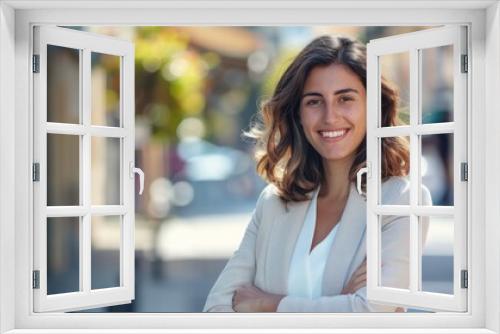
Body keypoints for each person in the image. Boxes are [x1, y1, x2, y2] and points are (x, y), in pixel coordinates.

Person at [203, 35, 431, 313]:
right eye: (314, 102)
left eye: (345, 98)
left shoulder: (400, 200)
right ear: (297, 113)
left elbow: (371, 314)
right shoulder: (273, 203)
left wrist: (267, 304)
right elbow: (217, 308)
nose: (330, 117)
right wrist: (339, 303)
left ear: (374, 107)